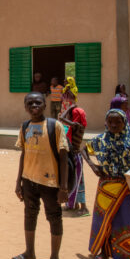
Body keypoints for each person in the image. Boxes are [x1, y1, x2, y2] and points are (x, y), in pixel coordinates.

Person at [82, 108, 130, 259]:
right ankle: (104, 252)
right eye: (110, 122)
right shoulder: (100, 141)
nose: (113, 125)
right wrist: (92, 166)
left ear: (124, 123)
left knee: (129, 221)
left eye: (117, 122)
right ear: (106, 122)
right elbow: (83, 150)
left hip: (126, 187)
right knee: (105, 220)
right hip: (106, 186)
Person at [11, 92, 69, 259]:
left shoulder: (55, 126)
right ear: (25, 107)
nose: (34, 105)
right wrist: (19, 181)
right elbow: (23, 154)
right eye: (30, 103)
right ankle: (29, 253)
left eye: (38, 102)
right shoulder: (25, 126)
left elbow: (63, 157)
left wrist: (63, 188)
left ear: (45, 105)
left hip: (50, 183)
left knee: (54, 217)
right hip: (29, 180)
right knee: (30, 214)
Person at [59, 85, 88, 216]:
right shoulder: (74, 127)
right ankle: (74, 205)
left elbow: (61, 118)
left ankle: (84, 207)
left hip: (76, 156)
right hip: (72, 155)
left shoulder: (77, 126)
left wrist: (70, 108)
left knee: (78, 181)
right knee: (72, 180)